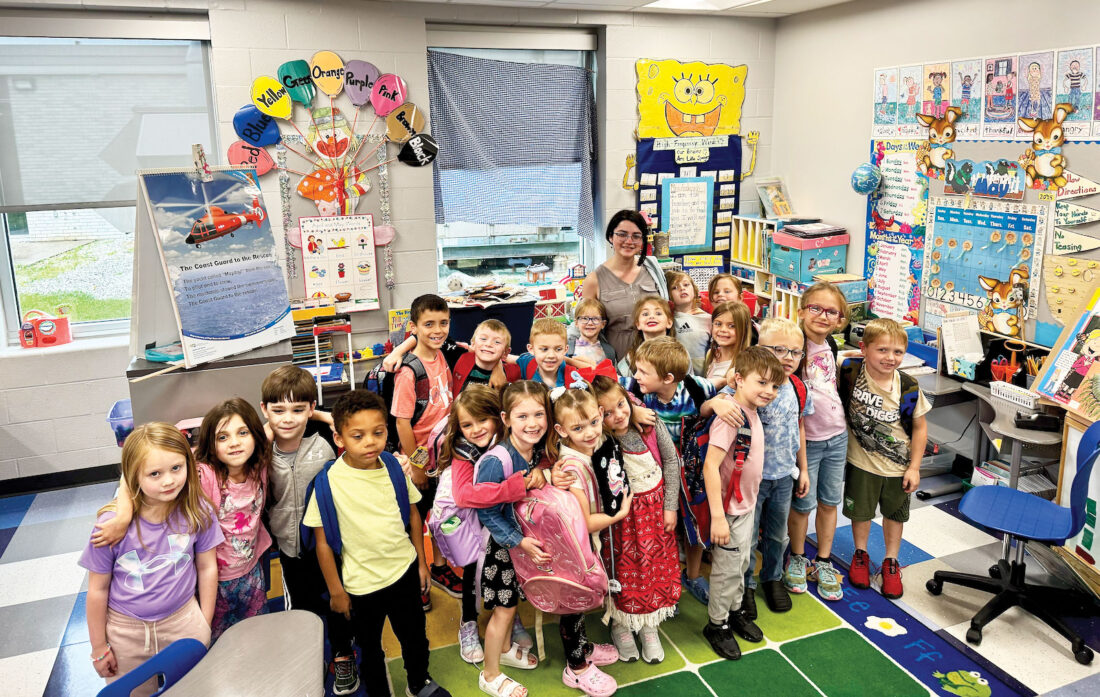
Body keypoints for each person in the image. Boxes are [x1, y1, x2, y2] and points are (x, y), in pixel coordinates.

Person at [306, 390, 450, 697]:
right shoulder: (327, 483)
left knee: (414, 636)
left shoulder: (394, 468)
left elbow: (413, 515)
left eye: (378, 433)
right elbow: (321, 544)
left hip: (404, 572)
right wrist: (336, 591)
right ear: (339, 438)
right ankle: (378, 689)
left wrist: (422, 564)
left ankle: (418, 681)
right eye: (358, 436)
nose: (370, 441)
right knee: (370, 647)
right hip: (361, 585)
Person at [80, 423, 222, 696]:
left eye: (176, 469)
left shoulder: (198, 511)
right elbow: (97, 590)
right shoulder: (110, 526)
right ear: (134, 476)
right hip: (126, 634)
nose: (168, 480)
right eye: (154, 473)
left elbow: (207, 568)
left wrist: (204, 621)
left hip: (184, 622)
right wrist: (99, 647)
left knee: (193, 690)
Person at [435, 385, 535, 664]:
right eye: (467, 424)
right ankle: (468, 622)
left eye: (482, 420)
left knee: (508, 570)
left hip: (499, 521)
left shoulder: (509, 438)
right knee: (472, 573)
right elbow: (465, 496)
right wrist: (514, 488)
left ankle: (508, 616)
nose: (476, 429)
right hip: (470, 524)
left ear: (498, 416)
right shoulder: (462, 451)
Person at [591, 376, 681, 664]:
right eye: (606, 413)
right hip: (621, 521)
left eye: (621, 405)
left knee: (654, 567)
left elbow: (670, 461)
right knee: (621, 570)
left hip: (655, 515)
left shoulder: (648, 424)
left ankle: (649, 625)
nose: (618, 415)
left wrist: (670, 506)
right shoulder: (599, 440)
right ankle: (621, 623)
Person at [701, 348, 784, 661]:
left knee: (740, 564)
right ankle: (717, 624)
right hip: (730, 510)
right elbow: (712, 466)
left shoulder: (749, 409)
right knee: (725, 571)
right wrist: (719, 517)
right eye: (762, 383)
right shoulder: (731, 416)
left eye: (775, 386)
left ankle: (734, 610)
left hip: (745, 506)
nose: (769, 391)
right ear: (738, 379)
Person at [841, 319, 931, 599]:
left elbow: (920, 428)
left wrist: (915, 467)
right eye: (881, 350)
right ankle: (861, 553)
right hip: (861, 463)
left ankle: (891, 561)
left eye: (897, 352)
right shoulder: (849, 371)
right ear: (863, 349)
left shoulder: (908, 386)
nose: (890, 358)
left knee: (895, 514)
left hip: (898, 466)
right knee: (861, 512)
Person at [474, 381, 552, 697]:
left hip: (519, 545)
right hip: (502, 548)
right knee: (504, 610)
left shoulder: (534, 451)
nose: (532, 424)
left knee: (511, 603)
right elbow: (486, 512)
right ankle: (490, 674)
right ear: (506, 419)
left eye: (538, 414)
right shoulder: (498, 459)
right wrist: (517, 542)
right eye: (522, 416)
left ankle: (505, 648)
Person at [549, 387, 626, 695]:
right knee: (573, 607)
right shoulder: (572, 467)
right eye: (578, 428)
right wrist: (622, 512)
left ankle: (584, 647)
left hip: (583, 546)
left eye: (595, 422)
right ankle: (576, 667)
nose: (591, 432)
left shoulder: (590, 449)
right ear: (561, 430)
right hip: (574, 551)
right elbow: (585, 522)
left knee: (578, 609)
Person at [734, 319, 812, 618]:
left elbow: (799, 427)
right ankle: (745, 585)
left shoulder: (797, 387)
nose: (788, 357)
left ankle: (772, 577)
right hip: (750, 480)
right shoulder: (753, 389)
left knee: (777, 535)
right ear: (759, 349)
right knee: (747, 537)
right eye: (779, 349)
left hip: (783, 475)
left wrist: (802, 469)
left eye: (795, 351)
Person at [392, 294, 460, 609]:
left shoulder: (441, 355)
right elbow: (403, 424)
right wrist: (418, 467)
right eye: (429, 324)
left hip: (444, 455)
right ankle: (419, 576)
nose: (437, 329)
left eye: (443, 322)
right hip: (420, 459)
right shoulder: (409, 372)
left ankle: (441, 568)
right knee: (417, 518)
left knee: (443, 512)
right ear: (414, 327)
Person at [787, 283, 850, 602]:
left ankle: (823, 560)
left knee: (829, 502)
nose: (823, 316)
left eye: (831, 312)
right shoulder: (793, 347)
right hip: (806, 440)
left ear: (840, 320)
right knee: (802, 503)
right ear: (801, 311)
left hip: (837, 436)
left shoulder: (833, 346)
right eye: (816, 308)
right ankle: (797, 556)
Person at [193, 398, 272, 639]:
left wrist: (325, 416)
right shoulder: (205, 475)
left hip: (251, 573)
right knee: (218, 646)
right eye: (222, 437)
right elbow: (153, 464)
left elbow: (280, 422)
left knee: (256, 636)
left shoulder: (258, 465)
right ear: (211, 443)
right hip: (213, 582)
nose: (235, 443)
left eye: (242, 433)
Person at [581, 210, 668, 359]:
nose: (629, 241)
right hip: (617, 362)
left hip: (657, 357)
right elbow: (584, 328)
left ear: (642, 241)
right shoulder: (594, 280)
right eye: (622, 234)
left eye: (636, 236)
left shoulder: (652, 269)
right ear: (610, 237)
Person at [618, 296, 676, 377]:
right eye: (645, 314)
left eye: (658, 313)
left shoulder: (679, 354)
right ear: (638, 324)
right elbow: (620, 385)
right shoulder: (631, 358)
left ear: (669, 322)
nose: (651, 317)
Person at [668, 271, 711, 374]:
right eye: (675, 287)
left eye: (686, 284)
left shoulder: (708, 319)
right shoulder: (668, 321)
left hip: (704, 375)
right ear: (668, 295)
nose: (682, 288)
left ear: (694, 289)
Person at [703, 301, 752, 385]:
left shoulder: (746, 363)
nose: (723, 330)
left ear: (744, 329)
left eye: (731, 326)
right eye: (718, 324)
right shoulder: (711, 353)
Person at [570, 298, 617, 365]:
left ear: (603, 324)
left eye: (595, 319)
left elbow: (613, 374)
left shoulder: (609, 352)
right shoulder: (568, 349)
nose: (590, 323)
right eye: (585, 318)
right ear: (576, 323)